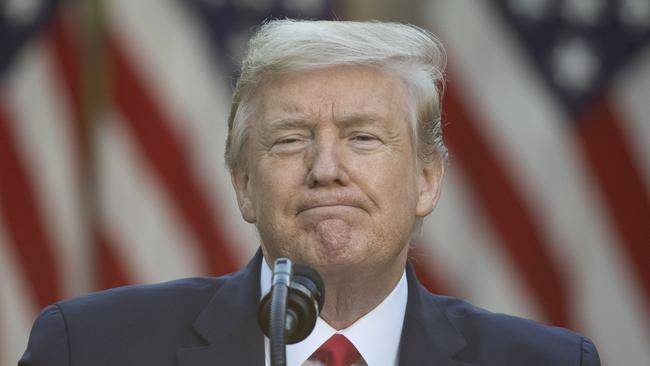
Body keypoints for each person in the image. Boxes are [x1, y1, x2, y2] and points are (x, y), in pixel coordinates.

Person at [19, 20, 600, 366]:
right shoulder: (92, 348)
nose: (326, 168)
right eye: (291, 139)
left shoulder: (545, 363)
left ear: (427, 180)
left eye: (363, 137)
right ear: (244, 186)